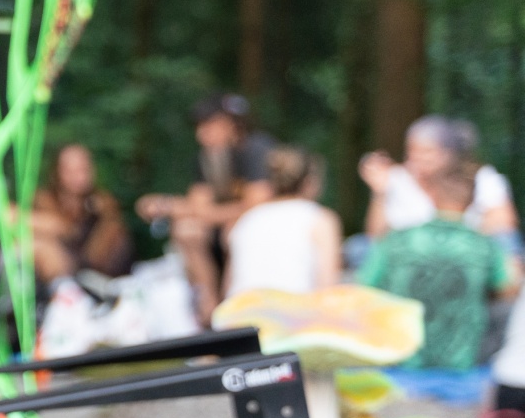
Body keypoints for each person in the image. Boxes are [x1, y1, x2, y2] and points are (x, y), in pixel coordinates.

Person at [358, 165, 520, 371]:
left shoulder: (395, 240)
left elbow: (365, 287)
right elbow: (508, 290)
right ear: (472, 200)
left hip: (402, 360)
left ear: (431, 194)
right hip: (463, 362)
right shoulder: (486, 246)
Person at [136, 95, 274, 318]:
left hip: (264, 228)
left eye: (209, 125)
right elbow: (198, 205)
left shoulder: (256, 149)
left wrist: (180, 207)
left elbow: (258, 205)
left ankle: (235, 305)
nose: (201, 134)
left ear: (232, 124)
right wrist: (167, 206)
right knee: (186, 230)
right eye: (199, 127)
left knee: (234, 231)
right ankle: (208, 308)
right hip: (223, 227)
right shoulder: (207, 158)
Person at [359, 116, 518, 239]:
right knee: (359, 247)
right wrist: (380, 192)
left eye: (426, 152)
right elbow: (376, 238)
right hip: (410, 257)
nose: (418, 159)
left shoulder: (479, 177)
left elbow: (505, 224)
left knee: (507, 240)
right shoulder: (397, 179)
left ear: (449, 153)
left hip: (470, 255)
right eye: (412, 151)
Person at [222, 145, 341, 299]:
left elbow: (228, 287)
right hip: (293, 311)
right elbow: (327, 287)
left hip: (239, 311)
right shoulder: (320, 219)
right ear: (309, 183)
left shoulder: (246, 220)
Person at [29, 143, 133, 285]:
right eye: (69, 170)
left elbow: (98, 256)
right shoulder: (44, 199)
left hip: (96, 274)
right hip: (62, 269)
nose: (78, 176)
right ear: (56, 172)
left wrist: (106, 217)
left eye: (83, 169)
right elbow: (61, 227)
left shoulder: (103, 203)